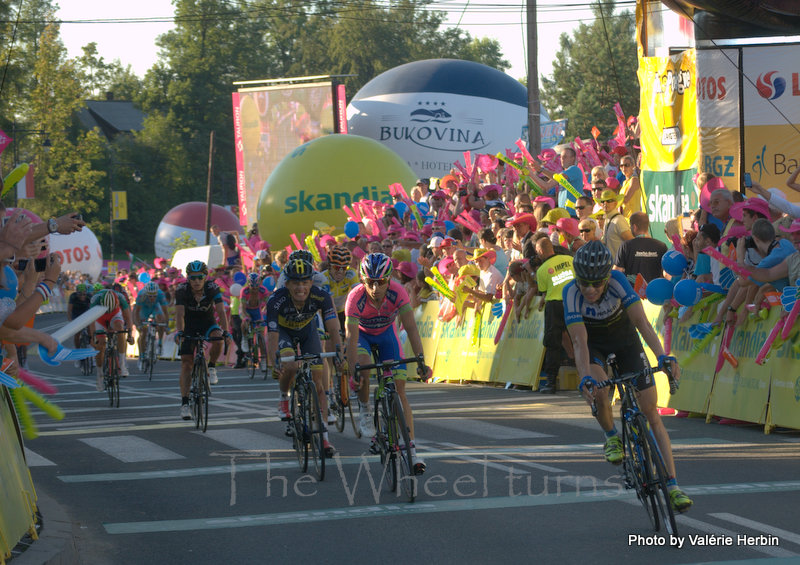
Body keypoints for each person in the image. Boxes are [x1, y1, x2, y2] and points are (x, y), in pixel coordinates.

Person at [564, 241, 692, 513]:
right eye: (584, 283)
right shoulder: (570, 292)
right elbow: (579, 343)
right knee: (599, 389)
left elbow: (643, 325)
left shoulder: (618, 281)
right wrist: (585, 378)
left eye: (596, 284)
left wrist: (663, 357)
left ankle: (673, 486)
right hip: (594, 346)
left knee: (651, 413)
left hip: (626, 344)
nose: (589, 290)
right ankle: (611, 435)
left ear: (606, 278)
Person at [342, 253, 432, 474]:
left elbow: (411, 328)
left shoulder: (398, 292)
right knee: (363, 368)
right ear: (363, 281)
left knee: (400, 391)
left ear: (389, 279)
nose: (375, 288)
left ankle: (411, 451)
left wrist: (421, 360)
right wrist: (353, 370)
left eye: (380, 282)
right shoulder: (355, 298)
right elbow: (350, 338)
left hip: (386, 335)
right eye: (370, 282)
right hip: (362, 337)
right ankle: (365, 409)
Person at [267, 256, 343, 457]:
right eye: (295, 283)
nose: (300, 287)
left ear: (311, 282)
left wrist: (339, 352)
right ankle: (284, 397)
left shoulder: (321, 296)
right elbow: (272, 334)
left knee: (319, 385)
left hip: (308, 331)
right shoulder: (276, 300)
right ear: (287, 283)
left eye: (305, 282)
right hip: (284, 332)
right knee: (290, 365)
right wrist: (273, 360)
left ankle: (325, 438)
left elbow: (333, 326)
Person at [174, 261, 229, 420]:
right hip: (189, 325)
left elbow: (220, 310)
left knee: (218, 338)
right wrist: (180, 332)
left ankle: (211, 367)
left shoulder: (213, 288)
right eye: (193, 278)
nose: (196, 281)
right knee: (186, 363)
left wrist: (226, 332)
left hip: (208, 323)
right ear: (188, 278)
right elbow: (179, 315)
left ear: (205, 277)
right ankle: (185, 404)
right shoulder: (181, 290)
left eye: (200, 277)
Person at [534, 238, 575, 393]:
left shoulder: (542, 270)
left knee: (553, 343)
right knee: (581, 338)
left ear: (540, 251)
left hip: (554, 305)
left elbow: (543, 291)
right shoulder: (569, 259)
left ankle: (551, 382)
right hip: (572, 302)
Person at [91, 287, 135, 392]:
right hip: (99, 316)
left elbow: (128, 319)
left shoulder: (121, 299)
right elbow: (91, 321)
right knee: (100, 345)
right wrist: (92, 337)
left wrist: (129, 335)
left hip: (115, 315)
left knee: (120, 329)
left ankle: (122, 364)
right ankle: (100, 374)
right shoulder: (95, 300)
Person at [613, 212, 668, 283]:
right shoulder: (661, 246)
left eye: (630, 226)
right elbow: (666, 273)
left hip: (632, 291)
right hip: (654, 290)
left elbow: (617, 272)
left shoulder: (626, 246)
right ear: (647, 226)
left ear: (634, 227)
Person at [133, 281, 170, 369]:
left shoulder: (160, 294)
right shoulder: (141, 295)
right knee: (143, 332)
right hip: (143, 309)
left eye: (154, 295)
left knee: (160, 320)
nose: (152, 297)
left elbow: (165, 312)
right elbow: (136, 312)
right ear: (146, 294)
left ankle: (160, 343)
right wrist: (139, 325)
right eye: (150, 296)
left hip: (155, 308)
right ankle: (142, 356)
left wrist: (166, 325)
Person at [240, 272, 270, 370]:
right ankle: (245, 338)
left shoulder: (263, 290)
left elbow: (269, 304)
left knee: (261, 338)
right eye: (252, 287)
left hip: (257, 311)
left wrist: (267, 312)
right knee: (245, 321)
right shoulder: (244, 291)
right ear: (248, 284)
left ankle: (264, 361)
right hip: (247, 310)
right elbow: (243, 309)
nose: (254, 289)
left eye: (256, 287)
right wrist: (246, 317)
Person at [600, 189, 633, 260]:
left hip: (619, 267)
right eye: (603, 201)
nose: (605, 203)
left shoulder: (618, 220)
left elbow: (631, 242)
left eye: (609, 201)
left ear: (615, 203)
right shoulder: (607, 219)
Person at [67, 283, 93, 353]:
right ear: (76, 293)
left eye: (84, 294)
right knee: (77, 334)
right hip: (76, 314)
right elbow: (69, 310)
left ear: (86, 293)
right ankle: (77, 352)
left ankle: (90, 345)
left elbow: (93, 309)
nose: (82, 296)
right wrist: (70, 320)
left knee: (90, 329)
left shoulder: (89, 296)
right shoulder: (73, 296)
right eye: (80, 294)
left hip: (86, 313)